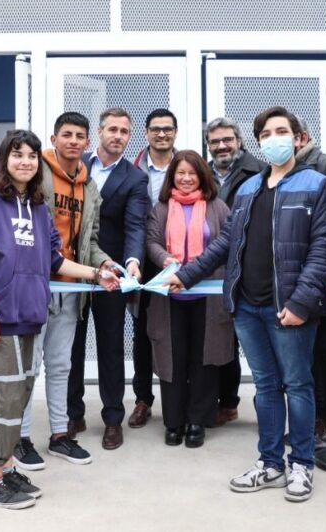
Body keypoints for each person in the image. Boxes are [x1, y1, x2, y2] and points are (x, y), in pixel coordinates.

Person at [165, 106, 326, 504]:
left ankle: (302, 464)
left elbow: (324, 247)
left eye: (281, 132)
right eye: (266, 134)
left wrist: (301, 301)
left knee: (298, 385)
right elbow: (225, 243)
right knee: (265, 386)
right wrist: (186, 275)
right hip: (247, 307)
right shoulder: (247, 189)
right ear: (258, 142)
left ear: (297, 138)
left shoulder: (316, 184)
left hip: (289, 308)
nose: (273, 139)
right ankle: (270, 462)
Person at [0, 129, 120, 509]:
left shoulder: (39, 208)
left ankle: (6, 467)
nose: (26, 161)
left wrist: (97, 274)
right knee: (4, 398)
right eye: (17, 154)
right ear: (4, 159)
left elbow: (55, 260)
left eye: (31, 155)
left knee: (21, 395)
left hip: (29, 315)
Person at [12, 112, 113, 471]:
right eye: (66, 134)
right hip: (33, 287)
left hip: (71, 288)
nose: (73, 141)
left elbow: (90, 242)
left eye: (79, 136)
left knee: (60, 366)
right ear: (54, 139)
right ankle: (19, 438)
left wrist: (106, 264)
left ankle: (59, 434)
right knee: (28, 367)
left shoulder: (90, 187)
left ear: (88, 142)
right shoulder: (35, 173)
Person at [67, 108, 148, 450]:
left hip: (111, 273)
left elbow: (135, 225)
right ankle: (73, 413)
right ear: (99, 133)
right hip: (71, 270)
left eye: (124, 131)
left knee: (111, 347)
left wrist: (132, 262)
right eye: (112, 129)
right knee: (71, 344)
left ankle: (113, 418)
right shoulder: (75, 164)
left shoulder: (135, 178)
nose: (118, 136)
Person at [145, 150, 233, 448]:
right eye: (180, 173)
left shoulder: (217, 207)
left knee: (204, 359)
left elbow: (225, 246)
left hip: (209, 297)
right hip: (169, 296)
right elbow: (151, 241)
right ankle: (173, 421)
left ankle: (197, 420)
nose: (185, 178)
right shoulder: (160, 208)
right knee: (172, 359)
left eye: (192, 173)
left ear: (202, 176)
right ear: (172, 176)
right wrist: (164, 258)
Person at [203, 116, 266, 428]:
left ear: (239, 141)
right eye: (214, 141)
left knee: (257, 340)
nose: (221, 146)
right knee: (222, 337)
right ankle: (227, 403)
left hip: (251, 265)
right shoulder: (202, 174)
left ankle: (265, 407)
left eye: (227, 139)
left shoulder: (260, 171)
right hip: (214, 267)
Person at [292, 118, 326, 451]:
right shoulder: (285, 171)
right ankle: (315, 420)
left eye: (285, 134)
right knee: (308, 353)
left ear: (302, 137)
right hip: (297, 280)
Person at [128, 108, 178, 429]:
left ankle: (182, 395)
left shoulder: (186, 167)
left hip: (180, 261)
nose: (161, 134)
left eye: (167, 129)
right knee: (143, 333)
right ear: (146, 133)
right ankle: (143, 399)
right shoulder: (133, 170)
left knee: (180, 329)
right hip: (144, 264)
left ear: (175, 133)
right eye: (156, 129)